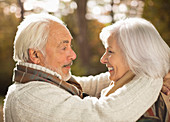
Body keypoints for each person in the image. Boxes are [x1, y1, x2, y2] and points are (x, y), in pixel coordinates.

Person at [3, 13, 169, 122]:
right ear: (35, 56)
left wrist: (139, 70)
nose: (73, 55)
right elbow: (102, 115)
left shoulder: (37, 83)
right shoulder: (30, 98)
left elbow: (90, 84)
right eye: (64, 47)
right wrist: (152, 74)